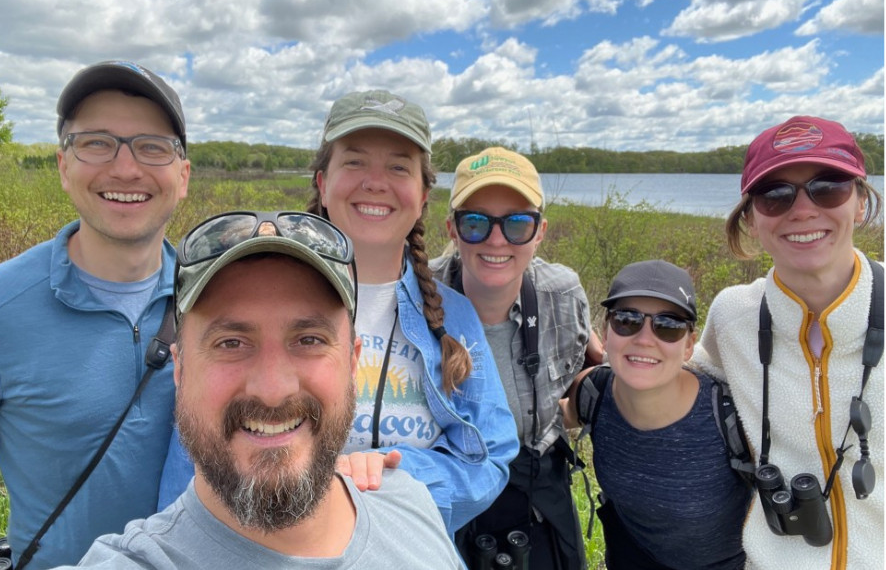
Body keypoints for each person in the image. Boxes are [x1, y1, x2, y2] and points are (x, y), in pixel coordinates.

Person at [158, 90, 519, 540]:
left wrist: (392, 481)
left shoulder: (454, 315)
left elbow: (492, 452)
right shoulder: (241, 299)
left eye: (398, 167)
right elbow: (192, 456)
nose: (375, 182)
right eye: (354, 162)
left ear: (423, 195)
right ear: (323, 183)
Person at [49, 210, 462, 569]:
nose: (272, 390)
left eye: (309, 340)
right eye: (231, 343)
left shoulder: (409, 503)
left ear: (352, 364)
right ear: (180, 370)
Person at [0, 60, 190, 569]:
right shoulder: (4, 306)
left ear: (183, 175)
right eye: (96, 142)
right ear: (64, 166)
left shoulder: (221, 299)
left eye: (152, 146)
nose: (125, 169)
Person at [694, 115, 884, 569]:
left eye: (829, 187)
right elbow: (681, 378)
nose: (802, 210)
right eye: (775, 195)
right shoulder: (732, 314)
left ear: (860, 202)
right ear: (752, 220)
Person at [429, 147, 599, 569]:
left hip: (537, 486)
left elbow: (595, 369)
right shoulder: (417, 295)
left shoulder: (562, 295)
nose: (496, 240)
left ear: (540, 232)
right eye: (475, 222)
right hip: (447, 490)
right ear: (452, 228)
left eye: (518, 223)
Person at [561, 260, 752, 570]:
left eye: (669, 326)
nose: (645, 339)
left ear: (690, 344)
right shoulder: (592, 393)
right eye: (626, 320)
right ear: (605, 333)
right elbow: (549, 419)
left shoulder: (728, 417)